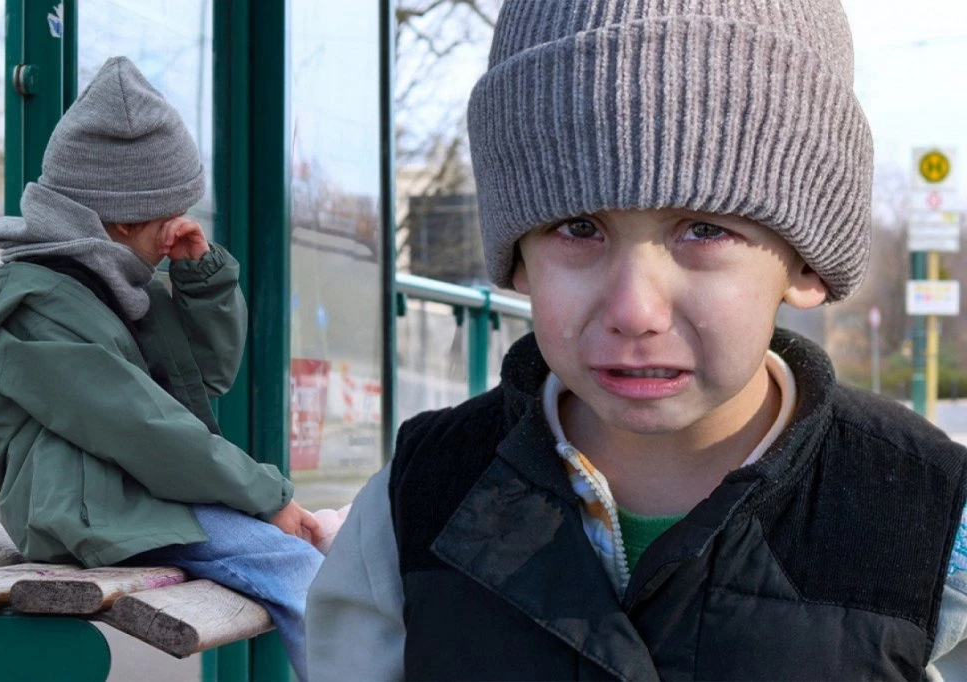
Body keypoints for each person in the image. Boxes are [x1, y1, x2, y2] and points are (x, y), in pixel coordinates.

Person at [306, 1, 967, 679]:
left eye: (704, 230)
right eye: (579, 228)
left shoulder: (934, 529)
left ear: (805, 262)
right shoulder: (412, 509)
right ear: (518, 259)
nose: (634, 309)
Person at [0, 56, 323, 680]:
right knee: (298, 573)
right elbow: (145, 428)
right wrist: (268, 497)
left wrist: (200, 282)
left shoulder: (106, 285)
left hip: (123, 498)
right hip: (87, 510)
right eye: (168, 214)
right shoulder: (38, 307)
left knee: (295, 565)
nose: (179, 226)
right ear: (122, 219)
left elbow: (201, 381)